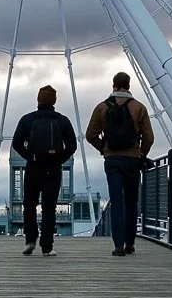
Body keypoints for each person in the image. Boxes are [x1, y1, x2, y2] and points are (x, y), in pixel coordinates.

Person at [85, 71, 154, 257]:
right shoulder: (139, 108)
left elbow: (90, 134)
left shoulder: (102, 107)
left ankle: (118, 245)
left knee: (116, 202)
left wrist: (104, 148)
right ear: (129, 85)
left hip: (112, 160)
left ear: (113, 85)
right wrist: (141, 154)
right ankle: (131, 242)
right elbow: (149, 137)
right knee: (131, 202)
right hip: (132, 160)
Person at [11, 85, 78, 257]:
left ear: (38, 100)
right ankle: (47, 246)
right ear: (54, 101)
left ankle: (30, 240)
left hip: (34, 167)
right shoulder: (62, 120)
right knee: (49, 207)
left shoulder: (27, 119)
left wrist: (29, 156)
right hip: (53, 168)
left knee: (29, 205)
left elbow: (17, 143)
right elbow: (72, 146)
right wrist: (59, 159)